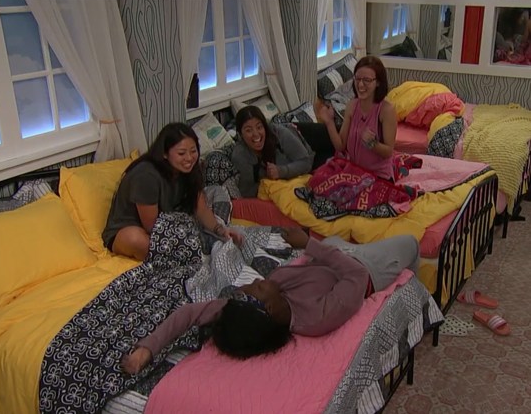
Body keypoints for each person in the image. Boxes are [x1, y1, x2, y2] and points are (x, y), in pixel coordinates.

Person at [121, 227, 419, 374]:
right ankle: (418, 294)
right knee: (411, 242)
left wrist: (147, 348)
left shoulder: (252, 307)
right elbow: (355, 274)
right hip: (366, 267)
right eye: (258, 287)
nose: (255, 281)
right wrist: (309, 244)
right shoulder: (318, 317)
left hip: (329, 258)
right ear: (270, 309)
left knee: (335, 239)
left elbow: (190, 313)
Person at [102, 122, 243, 261]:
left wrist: (220, 230)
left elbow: (201, 207)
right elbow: (152, 227)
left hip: (169, 225)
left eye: (193, 151)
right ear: (164, 153)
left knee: (216, 197)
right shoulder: (146, 175)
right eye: (181, 153)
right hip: (135, 230)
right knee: (138, 240)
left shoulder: (189, 169)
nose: (189, 158)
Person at [315, 55, 397, 181]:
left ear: (378, 82)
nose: (360, 84)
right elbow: (340, 146)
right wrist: (329, 122)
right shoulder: (352, 105)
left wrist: (373, 144)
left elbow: (389, 152)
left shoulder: (386, 110)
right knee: (317, 181)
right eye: (357, 79)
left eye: (367, 80)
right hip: (354, 172)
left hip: (377, 176)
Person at [231, 105, 315, 198]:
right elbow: (248, 193)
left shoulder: (278, 133)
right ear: (240, 134)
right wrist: (269, 182)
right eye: (248, 130)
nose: (256, 134)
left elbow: (306, 163)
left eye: (259, 127)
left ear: (265, 127)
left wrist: (281, 171)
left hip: (312, 148)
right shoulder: (240, 155)